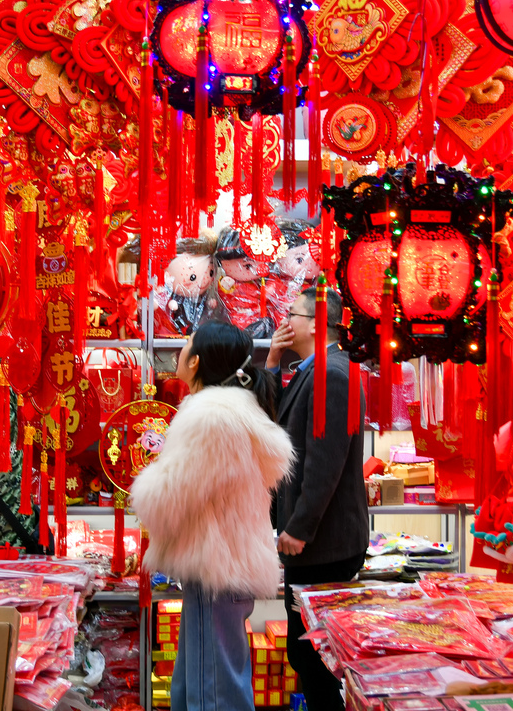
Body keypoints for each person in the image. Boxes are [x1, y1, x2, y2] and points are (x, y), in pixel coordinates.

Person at [131, 321, 294, 711]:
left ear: (198, 360)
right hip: (228, 561)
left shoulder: (210, 417)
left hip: (215, 565)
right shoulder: (233, 411)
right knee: (205, 679)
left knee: (213, 688)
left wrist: (145, 483)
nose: (180, 352)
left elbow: (171, 494)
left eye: (186, 345)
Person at [268, 287, 369, 711]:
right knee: (305, 652)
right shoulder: (315, 368)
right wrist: (272, 360)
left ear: (315, 323)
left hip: (323, 543)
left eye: (292, 314)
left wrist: (299, 526)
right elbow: (274, 420)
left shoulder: (333, 374)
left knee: (315, 657)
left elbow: (325, 462)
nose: (285, 321)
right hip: (316, 543)